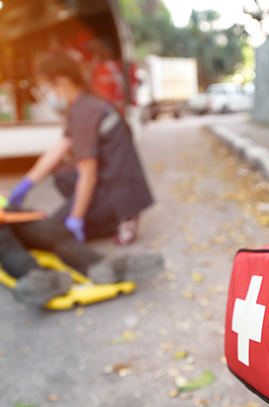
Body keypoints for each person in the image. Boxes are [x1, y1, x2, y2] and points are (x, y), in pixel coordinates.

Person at [9, 52, 153, 246]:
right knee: (61, 173)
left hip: (117, 188)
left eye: (46, 87)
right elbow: (57, 150)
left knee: (53, 231)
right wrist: (25, 184)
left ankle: (117, 217)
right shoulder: (81, 104)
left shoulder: (85, 111)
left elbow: (88, 174)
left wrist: (76, 218)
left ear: (61, 82)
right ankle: (95, 212)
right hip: (110, 179)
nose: (47, 94)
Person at [0, 213, 163, 307]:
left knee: (54, 233)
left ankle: (101, 265)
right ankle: (38, 278)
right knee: (5, 244)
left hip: (8, 214)